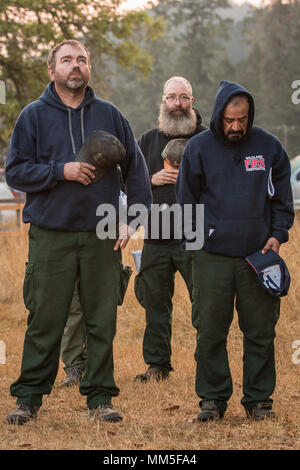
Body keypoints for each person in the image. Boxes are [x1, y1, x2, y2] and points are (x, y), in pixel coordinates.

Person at [5, 39, 151, 425]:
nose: (75, 66)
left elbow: (137, 173)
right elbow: (16, 171)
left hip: (102, 234)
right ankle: (29, 398)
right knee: (45, 317)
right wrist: (60, 170)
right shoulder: (33, 116)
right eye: (66, 60)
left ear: (89, 69)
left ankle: (100, 397)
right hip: (51, 235)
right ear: (52, 70)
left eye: (82, 60)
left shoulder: (110, 115)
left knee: (102, 318)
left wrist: (131, 219)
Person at [176, 80, 294, 421]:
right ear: (218, 115)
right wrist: (195, 245)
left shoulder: (269, 147)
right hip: (212, 257)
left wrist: (278, 235)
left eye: (242, 119)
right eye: (229, 120)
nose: (236, 126)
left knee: (260, 331)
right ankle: (212, 400)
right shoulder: (199, 148)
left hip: (258, 256)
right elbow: (187, 201)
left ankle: (259, 401)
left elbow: (282, 199)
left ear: (249, 116)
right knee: (210, 330)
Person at [134, 76, 206, 382]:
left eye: (183, 97)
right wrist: (152, 180)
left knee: (204, 303)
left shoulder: (206, 139)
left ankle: (208, 363)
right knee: (155, 304)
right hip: (156, 236)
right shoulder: (148, 141)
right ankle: (157, 366)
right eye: (172, 97)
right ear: (163, 101)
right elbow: (129, 181)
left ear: (192, 101)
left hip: (195, 235)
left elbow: (222, 183)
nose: (177, 103)